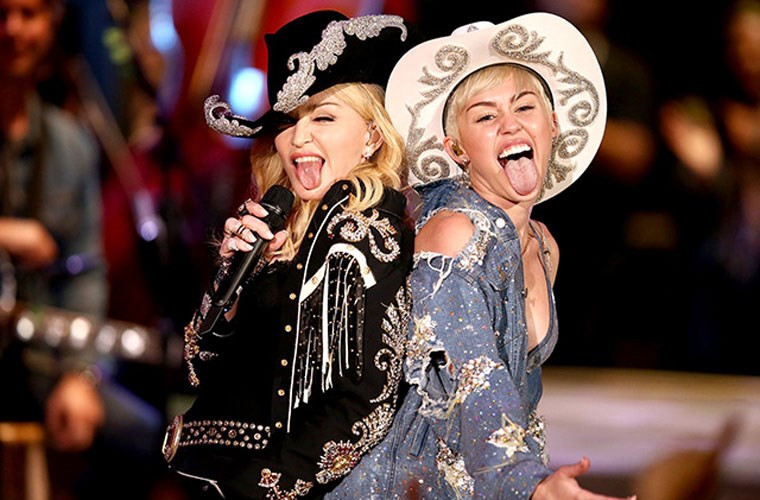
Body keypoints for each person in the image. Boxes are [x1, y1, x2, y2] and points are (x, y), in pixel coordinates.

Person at [329, 13, 633, 499]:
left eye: (525, 106)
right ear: (456, 148)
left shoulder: (544, 244)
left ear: (553, 124)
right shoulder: (454, 232)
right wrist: (531, 485)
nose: (511, 124)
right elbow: (473, 377)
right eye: (486, 117)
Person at [162, 10, 415, 499]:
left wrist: (260, 488)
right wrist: (232, 283)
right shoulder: (275, 223)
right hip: (209, 474)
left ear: (372, 134)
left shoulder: (365, 235)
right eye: (288, 121)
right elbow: (199, 367)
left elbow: (363, 404)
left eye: (323, 117)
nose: (298, 138)